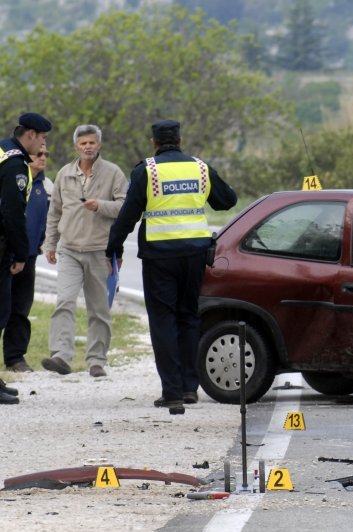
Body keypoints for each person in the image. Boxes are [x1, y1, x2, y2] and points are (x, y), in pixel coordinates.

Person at [106, 120, 237, 415]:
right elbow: (227, 201)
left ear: (154, 142)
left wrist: (113, 248)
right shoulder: (200, 168)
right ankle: (191, 387)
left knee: (163, 320)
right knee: (189, 317)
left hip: (160, 256)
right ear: (179, 139)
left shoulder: (147, 171)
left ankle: (172, 392)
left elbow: (127, 216)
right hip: (194, 254)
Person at [42, 124, 128, 378]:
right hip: (68, 250)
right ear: (76, 147)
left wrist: (100, 206)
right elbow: (55, 211)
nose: (88, 147)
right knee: (64, 302)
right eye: (83, 143)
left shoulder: (113, 173)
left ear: (99, 145)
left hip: (100, 251)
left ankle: (97, 360)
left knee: (99, 309)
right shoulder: (64, 174)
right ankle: (60, 356)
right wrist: (50, 243)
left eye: (92, 143)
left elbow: (125, 207)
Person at [0, 112, 51, 404]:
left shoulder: (2, 150)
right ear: (30, 134)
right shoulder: (15, 164)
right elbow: (12, 214)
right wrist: (21, 253)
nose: (42, 145)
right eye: (42, 139)